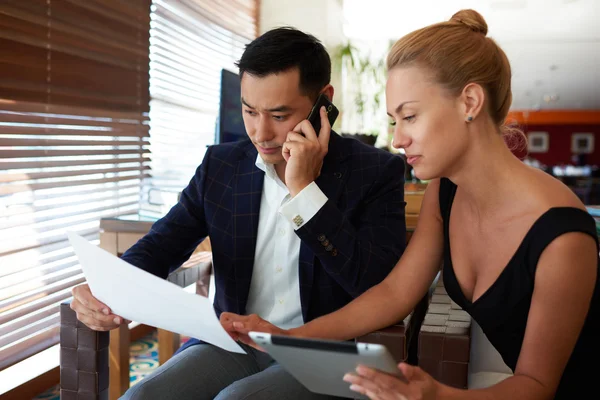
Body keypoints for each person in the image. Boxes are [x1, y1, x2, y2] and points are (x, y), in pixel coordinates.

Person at [221, 10, 600, 400]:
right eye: (393, 121)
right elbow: (394, 293)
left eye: (410, 116)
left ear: (469, 101)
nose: (398, 139)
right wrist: (290, 337)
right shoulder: (446, 190)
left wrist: (436, 395)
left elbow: (537, 387)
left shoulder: (562, 234)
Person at [69, 27, 407, 400]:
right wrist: (107, 288)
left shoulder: (375, 173)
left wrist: (305, 191)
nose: (260, 133)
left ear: (322, 103)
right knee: (141, 397)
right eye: (249, 111)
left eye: (279, 115)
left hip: (324, 351)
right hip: (231, 343)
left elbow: (373, 283)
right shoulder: (221, 166)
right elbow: (162, 245)